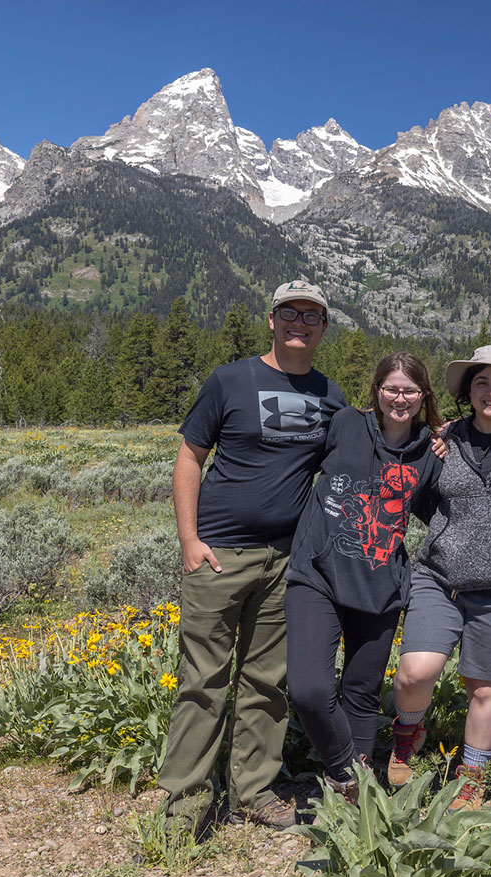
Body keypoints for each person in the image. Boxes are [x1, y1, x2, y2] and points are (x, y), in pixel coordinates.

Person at [159, 280, 346, 833]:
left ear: (322, 329)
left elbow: (368, 446)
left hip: (286, 561)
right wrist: (189, 542)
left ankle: (253, 791)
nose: (299, 322)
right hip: (218, 555)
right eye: (289, 312)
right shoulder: (231, 380)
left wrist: (437, 436)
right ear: (272, 319)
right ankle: (186, 800)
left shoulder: (330, 396)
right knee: (203, 679)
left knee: (267, 681)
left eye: (311, 316)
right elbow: (190, 457)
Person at [387, 345, 491, 811]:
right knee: (415, 672)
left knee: (484, 686)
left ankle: (471, 774)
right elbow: (418, 492)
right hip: (440, 576)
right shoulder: (444, 438)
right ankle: (407, 732)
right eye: (482, 382)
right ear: (468, 391)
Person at [283, 352, 444, 803]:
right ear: (376, 390)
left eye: (410, 390)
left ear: (422, 396)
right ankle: (346, 773)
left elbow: (440, 509)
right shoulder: (346, 424)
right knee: (310, 688)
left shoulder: (431, 450)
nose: (400, 397)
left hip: (381, 585)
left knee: (360, 694)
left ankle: (356, 801)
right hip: (318, 572)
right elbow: (296, 465)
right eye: (391, 388)